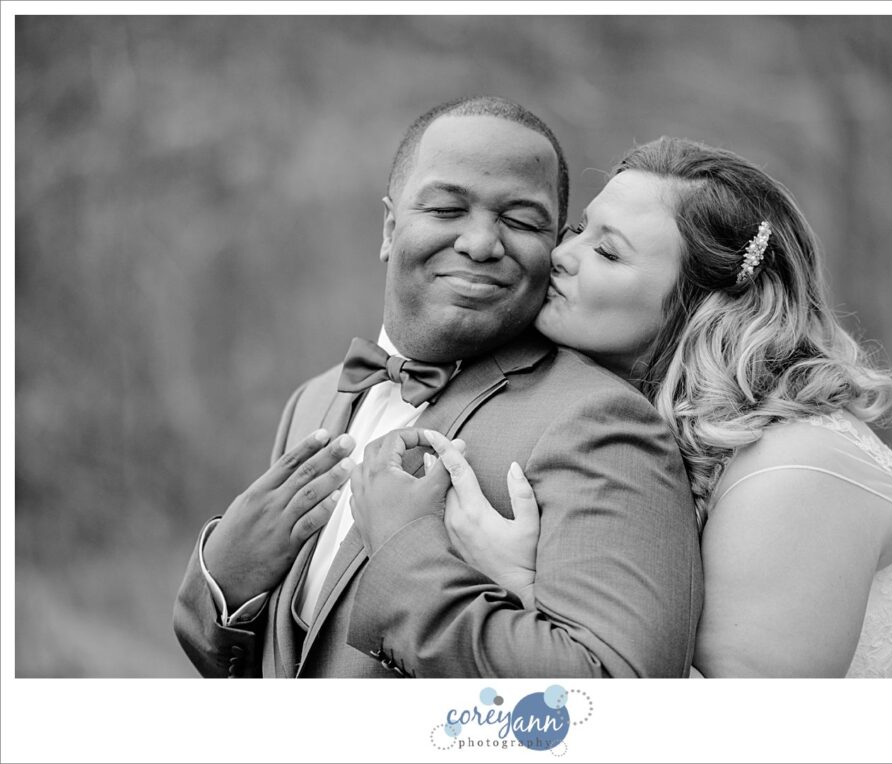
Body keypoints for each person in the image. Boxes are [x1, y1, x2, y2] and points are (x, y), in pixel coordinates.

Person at [172, 97, 703, 678]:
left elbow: (609, 700)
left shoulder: (598, 421)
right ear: (389, 226)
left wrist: (406, 550)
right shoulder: (313, 403)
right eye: (448, 208)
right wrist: (224, 586)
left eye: (522, 221)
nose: (480, 243)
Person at [424, 136, 892, 678]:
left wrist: (524, 586)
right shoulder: (636, 425)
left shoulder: (796, 470)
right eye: (580, 230)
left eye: (607, 251)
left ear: (705, 304)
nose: (560, 255)